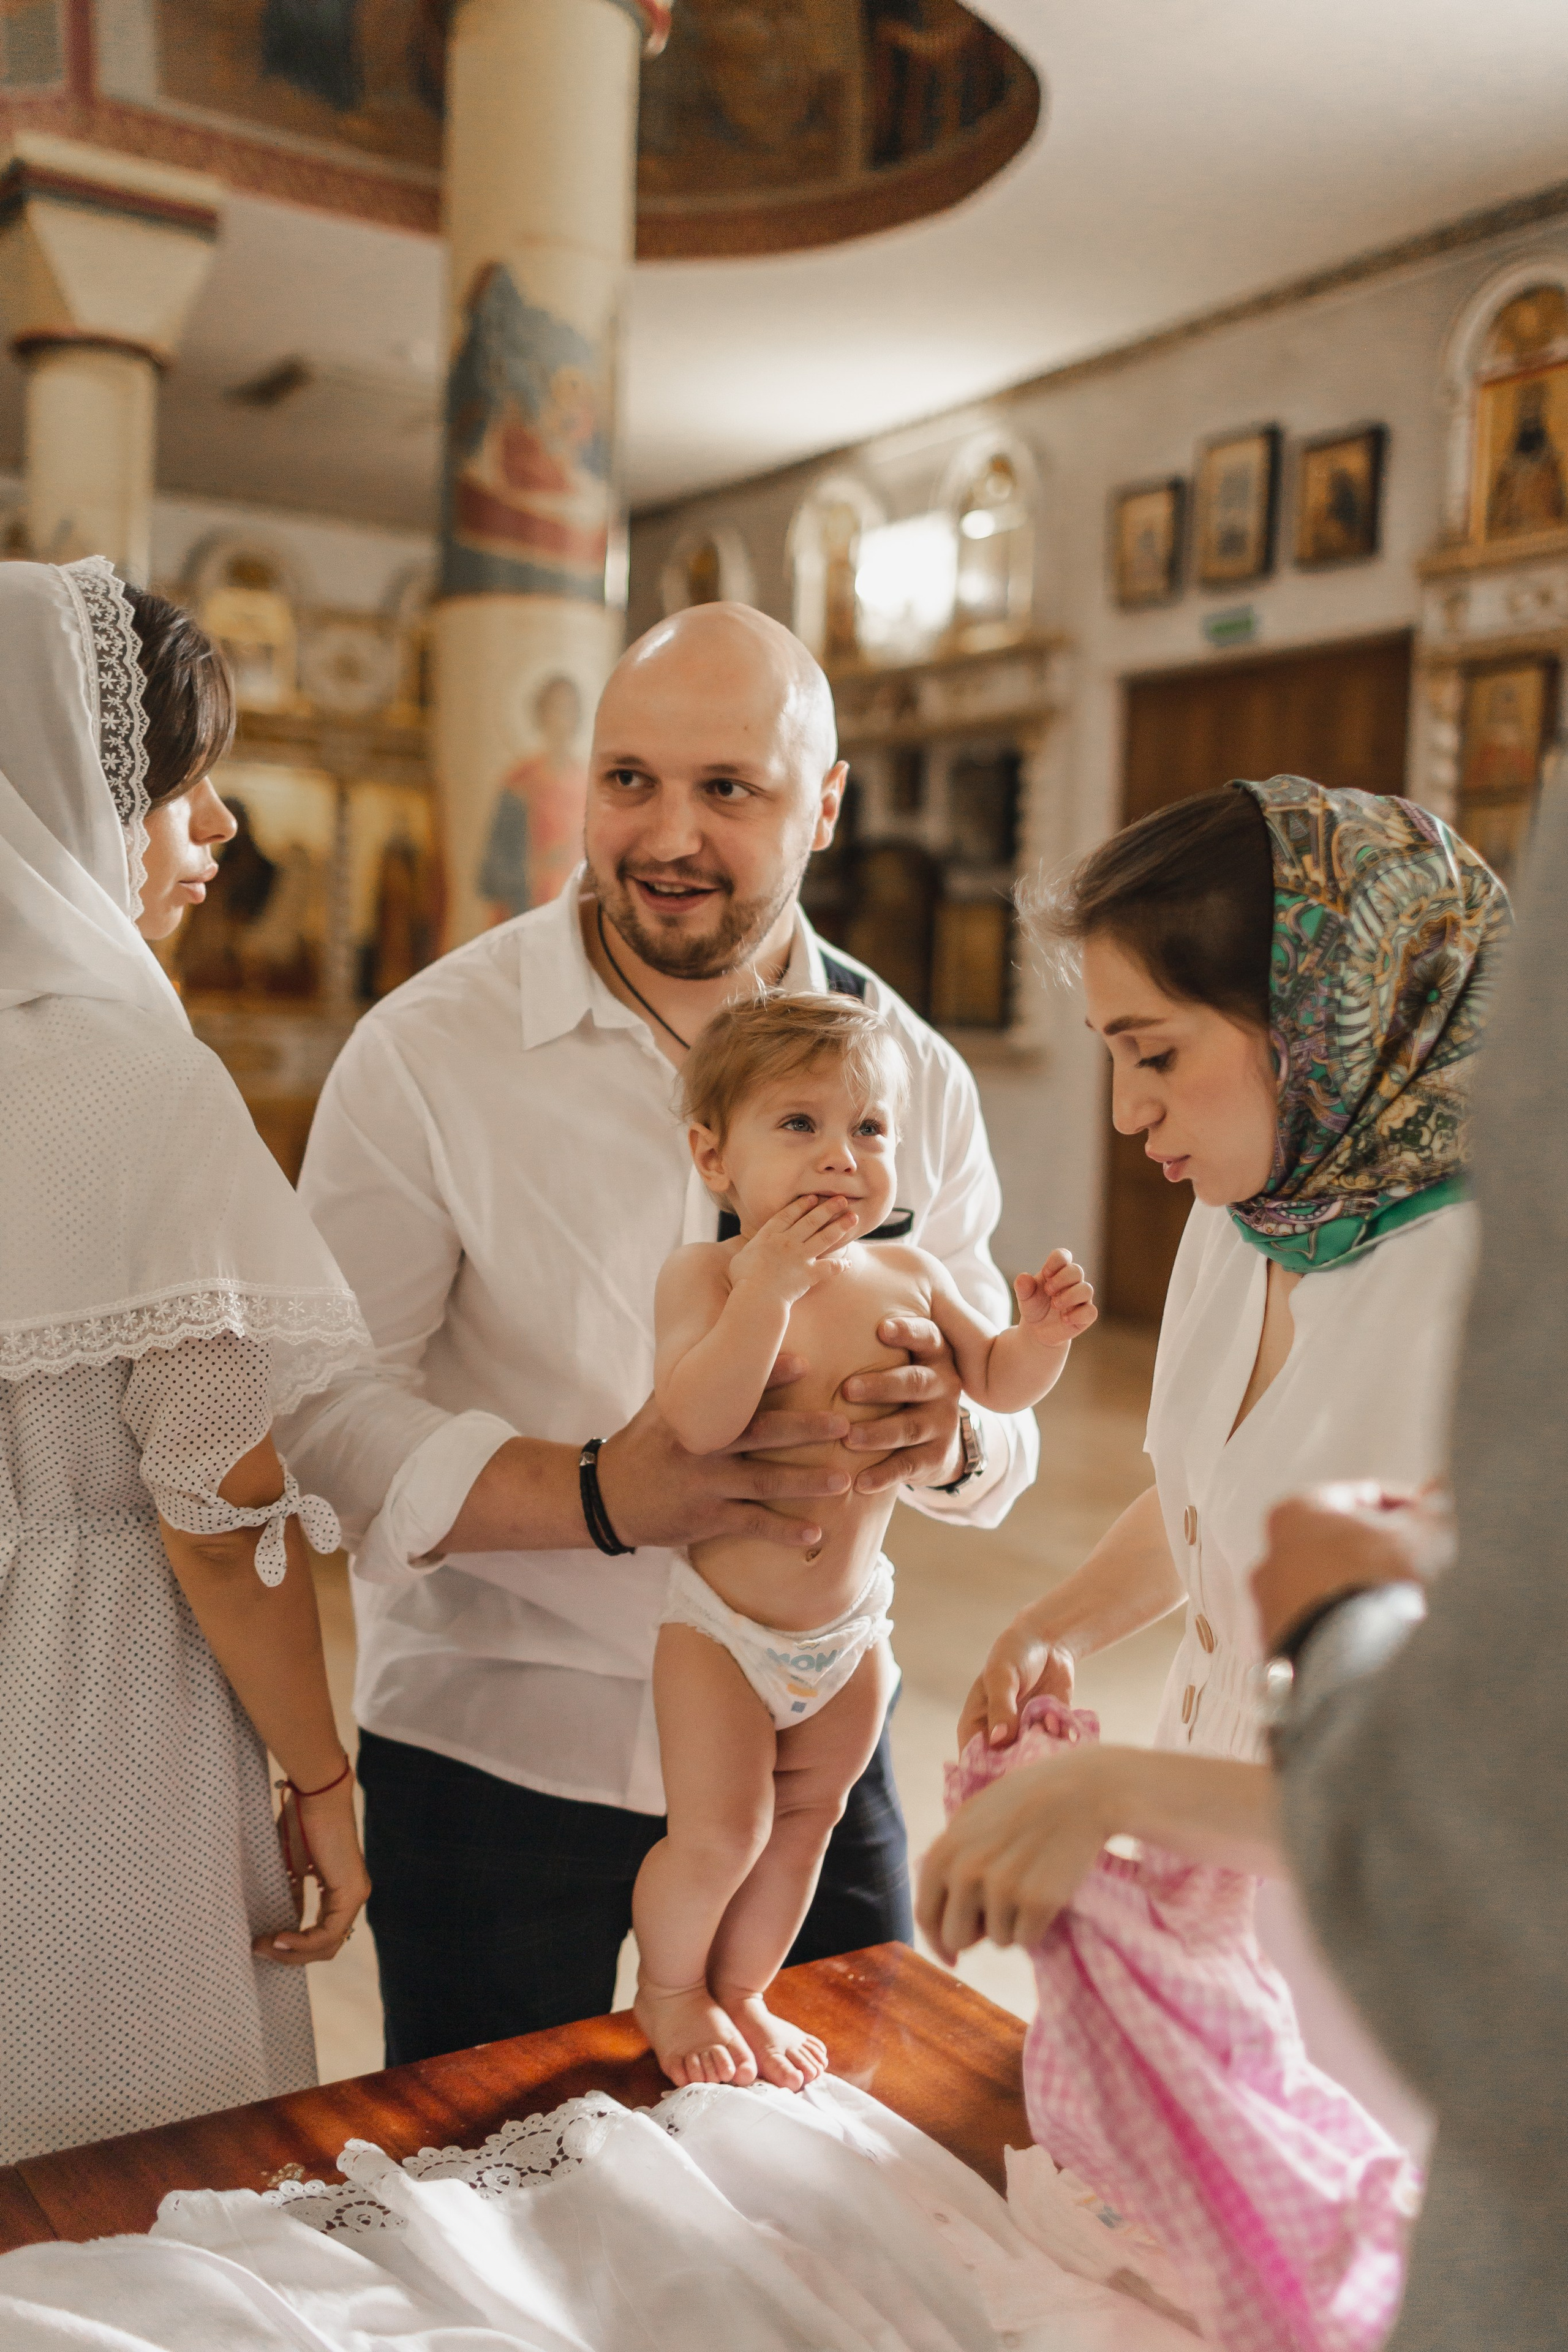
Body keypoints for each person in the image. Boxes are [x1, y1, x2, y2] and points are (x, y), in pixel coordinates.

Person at [282, 601, 1039, 2065]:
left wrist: (956, 1432)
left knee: (838, 2162)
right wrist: (590, 1496)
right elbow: (316, 1411)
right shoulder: (431, 1051)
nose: (664, 834)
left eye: (726, 790)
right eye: (628, 779)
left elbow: (995, 1414)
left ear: (823, 806)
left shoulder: (911, 1076)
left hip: (812, 1718)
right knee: (489, 2199)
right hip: (503, 1732)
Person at [921, 775, 1509, 2143]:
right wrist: (1052, 1616)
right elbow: (1215, 1496)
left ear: (1320, 1017)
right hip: (1223, 1868)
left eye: (1156, 1052)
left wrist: (1115, 1792)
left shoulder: (1498, 1299)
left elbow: (1446, 1792)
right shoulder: (1250, 1215)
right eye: (1108, 1057)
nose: (1126, 1115)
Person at [0, 565, 372, 2163]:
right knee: (125, 2179)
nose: (214, 829)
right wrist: (322, 1775)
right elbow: (219, 1525)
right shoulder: (141, 1081)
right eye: (178, 784)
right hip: (86, 1708)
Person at [637, 993, 1095, 2089]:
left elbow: (995, 1387)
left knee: (807, 1826)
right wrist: (769, 1292)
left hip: (853, 1628)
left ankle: (743, 1989)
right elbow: (696, 1422)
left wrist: (1041, 1339)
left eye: (871, 1129)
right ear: (715, 1157)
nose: (843, 1158)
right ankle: (670, 1992)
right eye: (799, 1127)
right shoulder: (705, 1280)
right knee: (721, 1834)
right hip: (723, 1635)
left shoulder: (915, 1274)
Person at [1251, 783, 1568, 2352]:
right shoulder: (1250, 1221)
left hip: (1370, 1903)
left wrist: (1332, 1623)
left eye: (1153, 1053)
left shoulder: (1449, 1264)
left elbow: (1492, 1876)